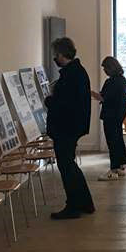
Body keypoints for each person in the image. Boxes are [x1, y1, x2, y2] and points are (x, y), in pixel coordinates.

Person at [45, 37, 95, 219]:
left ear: (61, 54)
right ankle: (85, 203)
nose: (55, 58)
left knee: (67, 167)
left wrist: (48, 100)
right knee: (70, 165)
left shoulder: (71, 75)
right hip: (71, 127)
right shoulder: (76, 71)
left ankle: (73, 206)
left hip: (66, 128)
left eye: (56, 54)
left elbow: (64, 104)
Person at [90, 56, 126, 181]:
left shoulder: (111, 82)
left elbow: (103, 97)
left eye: (105, 68)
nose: (104, 71)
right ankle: (120, 167)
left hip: (111, 115)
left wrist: (89, 92)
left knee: (112, 142)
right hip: (119, 115)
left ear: (111, 68)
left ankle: (113, 170)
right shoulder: (123, 81)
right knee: (118, 140)